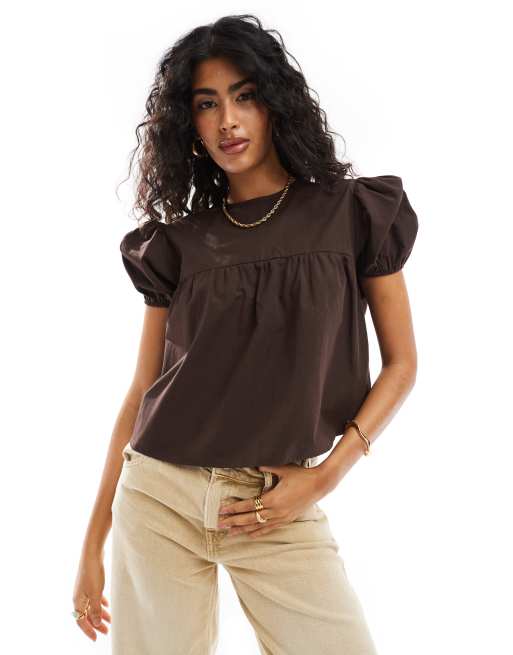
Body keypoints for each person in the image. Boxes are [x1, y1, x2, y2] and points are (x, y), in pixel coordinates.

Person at [72, 14, 418, 655]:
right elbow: (143, 390)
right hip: (159, 500)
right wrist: (92, 543)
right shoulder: (178, 244)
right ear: (190, 125)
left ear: (274, 103)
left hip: (275, 503)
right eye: (207, 104)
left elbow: (402, 364)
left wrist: (326, 476)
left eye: (245, 96)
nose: (228, 121)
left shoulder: (354, 213)